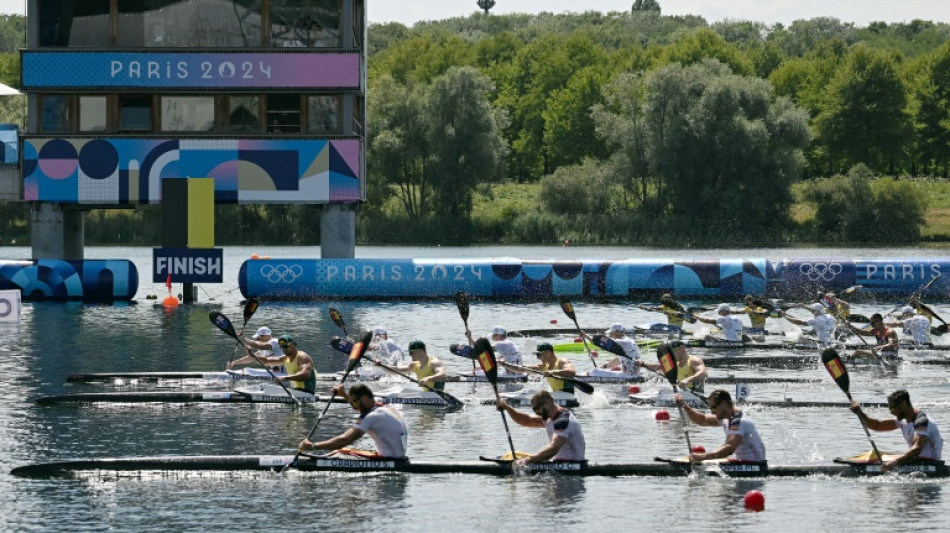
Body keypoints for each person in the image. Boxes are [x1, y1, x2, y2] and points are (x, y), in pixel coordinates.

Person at [298, 384, 409, 459]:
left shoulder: (371, 417)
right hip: (399, 456)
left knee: (340, 452)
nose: (354, 406)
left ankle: (316, 461)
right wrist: (343, 394)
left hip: (389, 459)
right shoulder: (381, 405)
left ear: (364, 399)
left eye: (355, 402)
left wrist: (313, 446)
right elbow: (358, 407)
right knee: (345, 451)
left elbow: (344, 440)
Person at [849, 389, 942, 470]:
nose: (891, 412)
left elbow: (917, 449)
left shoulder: (922, 421)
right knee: (874, 455)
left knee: (880, 459)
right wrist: (860, 413)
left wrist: (894, 463)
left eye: (893, 408)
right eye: (890, 409)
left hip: (930, 463)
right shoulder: (904, 420)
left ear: (904, 405)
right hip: (917, 460)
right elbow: (877, 425)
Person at [674, 389, 766, 463]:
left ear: (723, 404)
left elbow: (729, 448)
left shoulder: (738, 420)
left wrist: (702, 457)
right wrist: (684, 406)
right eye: (710, 408)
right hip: (743, 463)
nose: (712, 412)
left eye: (713, 408)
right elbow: (702, 420)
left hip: (755, 465)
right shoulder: (727, 418)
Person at [495, 390, 586, 464]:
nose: (535, 413)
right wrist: (507, 408)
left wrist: (528, 460)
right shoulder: (550, 417)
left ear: (547, 403)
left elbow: (553, 449)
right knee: (511, 455)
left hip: (571, 466)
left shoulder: (562, 420)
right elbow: (526, 420)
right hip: (558, 462)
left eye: (536, 408)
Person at [248, 334, 316, 394]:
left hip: (306, 392)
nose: (284, 349)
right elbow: (265, 361)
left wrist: (285, 378)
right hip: (296, 391)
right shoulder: (285, 359)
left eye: (286, 346)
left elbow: (305, 375)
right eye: (282, 347)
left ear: (293, 344)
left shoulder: (302, 357)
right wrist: (250, 354)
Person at [640, 341, 707, 393]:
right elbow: (659, 367)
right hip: (683, 393)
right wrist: (643, 364)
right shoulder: (675, 362)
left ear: (682, 348)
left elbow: (703, 372)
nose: (672, 355)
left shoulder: (694, 360)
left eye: (673, 352)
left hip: (696, 393)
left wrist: (688, 380)